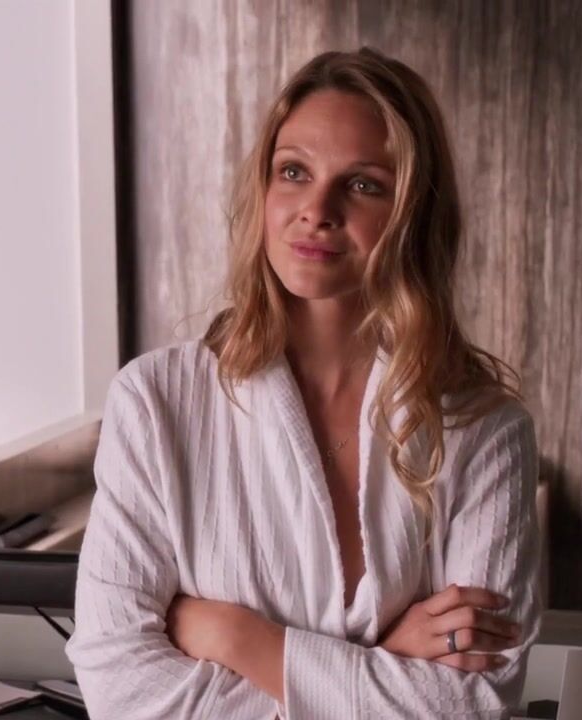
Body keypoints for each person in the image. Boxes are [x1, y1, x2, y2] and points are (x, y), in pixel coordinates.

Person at [65, 47, 542, 719]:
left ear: (414, 212)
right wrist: (383, 662)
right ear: (263, 189)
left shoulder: (485, 428)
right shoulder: (156, 402)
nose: (317, 210)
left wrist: (239, 638)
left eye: (364, 185)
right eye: (294, 172)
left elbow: (474, 702)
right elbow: (120, 690)